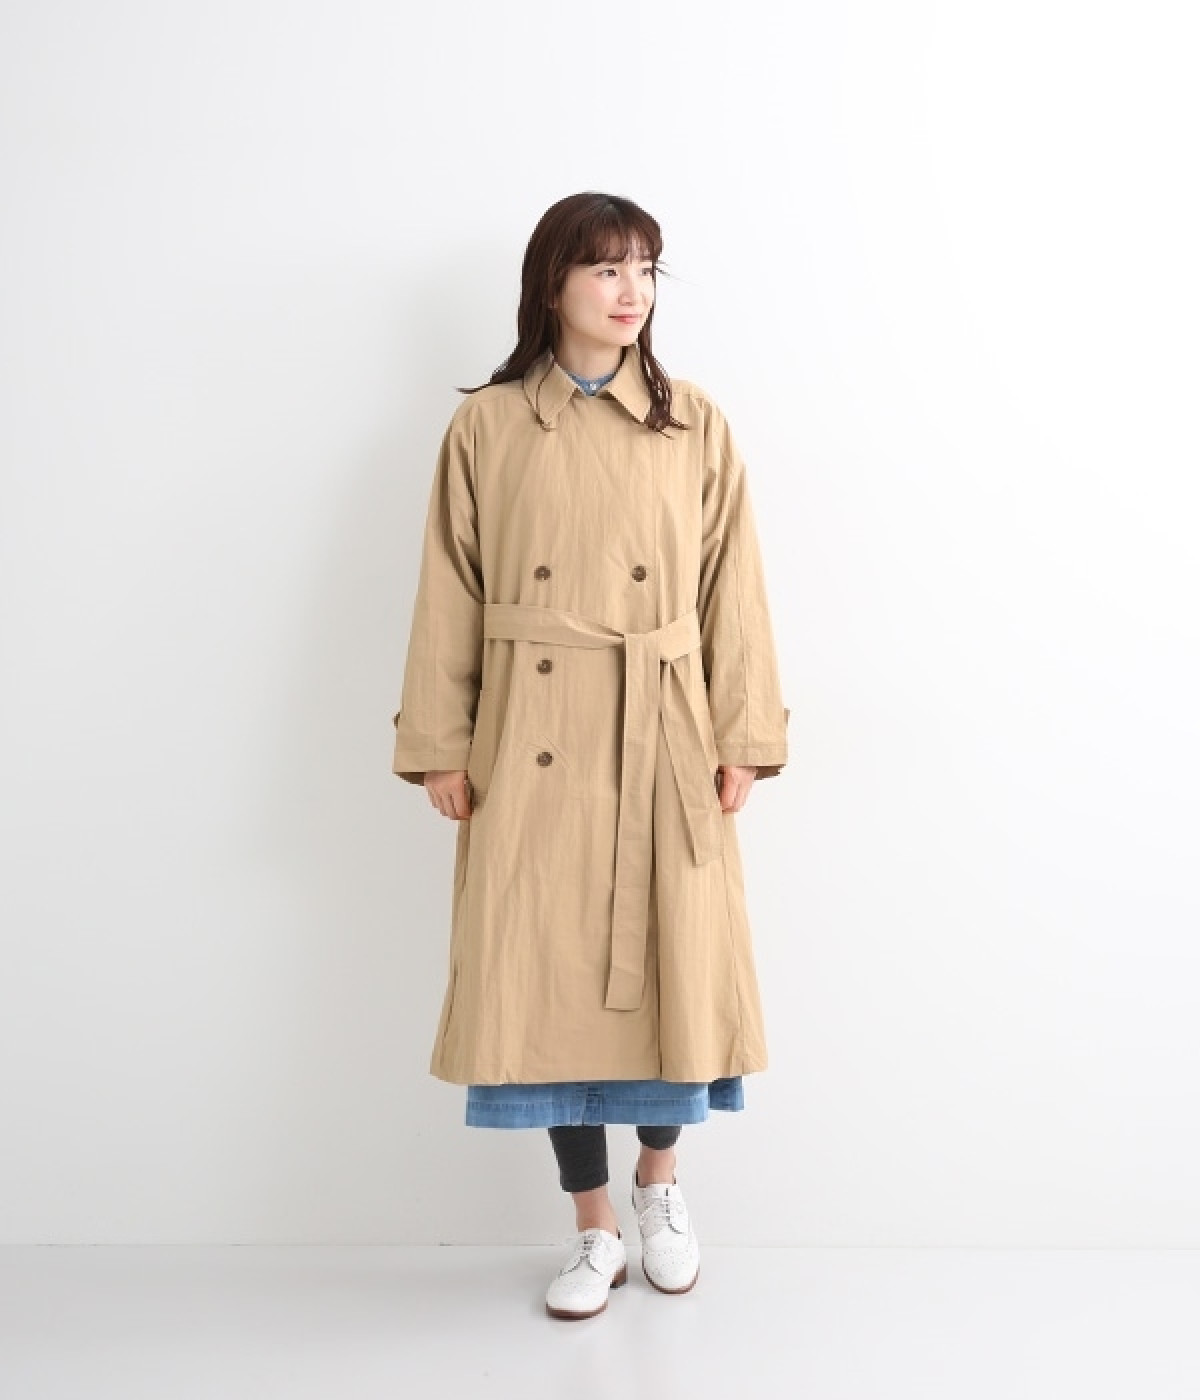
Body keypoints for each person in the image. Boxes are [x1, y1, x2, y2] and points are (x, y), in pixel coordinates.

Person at [389, 191, 790, 1320]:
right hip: (532, 736)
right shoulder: (487, 426)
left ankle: (660, 1186)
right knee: (544, 978)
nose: (632, 292)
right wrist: (441, 743)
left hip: (665, 727)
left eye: (647, 269)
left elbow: (734, 590)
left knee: (672, 965)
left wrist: (745, 735)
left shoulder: (692, 421)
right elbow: (449, 590)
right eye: (608, 268)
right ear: (552, 282)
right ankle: (593, 1225)